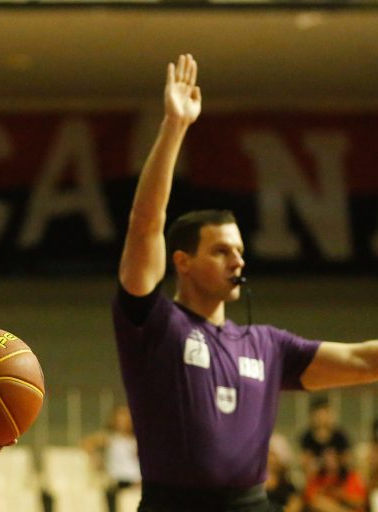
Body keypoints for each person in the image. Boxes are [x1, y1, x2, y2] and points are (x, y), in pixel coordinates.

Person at [112, 53, 378, 512]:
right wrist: (175, 127)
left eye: (238, 250)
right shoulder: (153, 324)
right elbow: (145, 224)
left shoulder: (268, 346)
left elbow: (360, 360)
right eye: (220, 250)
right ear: (183, 262)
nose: (237, 259)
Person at [81, 404, 141, 512]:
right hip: (117, 479)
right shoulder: (110, 438)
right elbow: (87, 443)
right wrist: (96, 458)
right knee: (111, 492)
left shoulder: (135, 440)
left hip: (135, 479)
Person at [299, 398, 352, 478]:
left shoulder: (340, 436)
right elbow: (305, 462)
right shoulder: (307, 437)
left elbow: (346, 460)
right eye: (319, 415)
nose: (322, 418)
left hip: (338, 477)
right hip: (316, 478)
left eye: (325, 414)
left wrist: (334, 462)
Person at [303, 447, 366, 512]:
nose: (330, 460)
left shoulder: (352, 477)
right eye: (327, 456)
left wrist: (341, 495)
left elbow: (360, 502)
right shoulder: (316, 479)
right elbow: (311, 500)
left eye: (333, 456)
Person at [266, 433, 303, 512]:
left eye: (273, 455)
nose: (270, 459)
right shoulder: (255, 486)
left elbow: (294, 507)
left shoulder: (289, 487)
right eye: (268, 454)